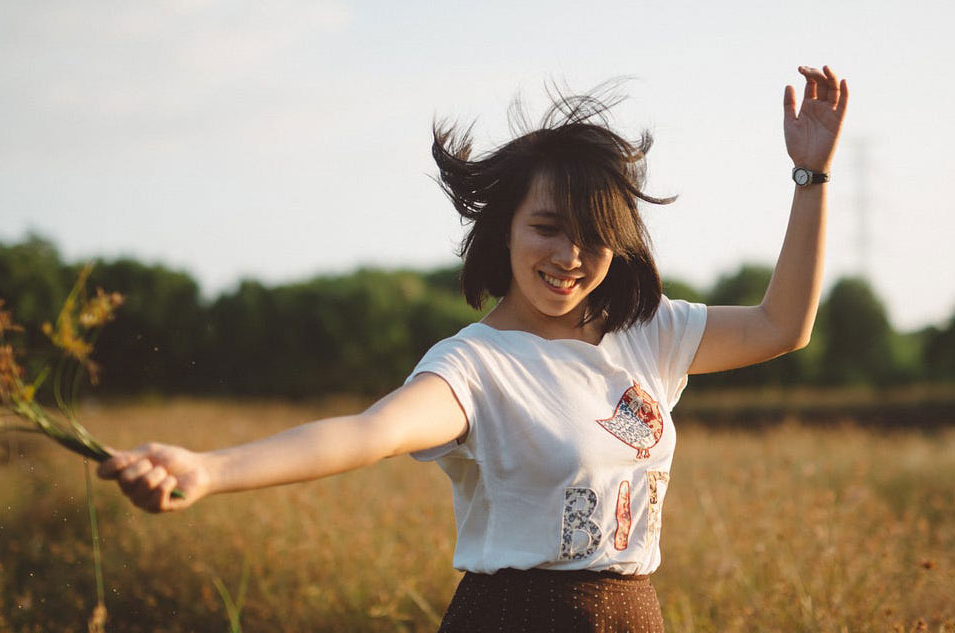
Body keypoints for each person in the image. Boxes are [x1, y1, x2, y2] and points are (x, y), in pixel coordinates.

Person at [98, 65, 848, 632]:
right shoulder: (475, 365)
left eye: (593, 237)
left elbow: (782, 326)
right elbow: (368, 432)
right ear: (506, 229)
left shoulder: (646, 331)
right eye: (547, 226)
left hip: (633, 613)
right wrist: (209, 468)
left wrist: (809, 177)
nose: (570, 255)